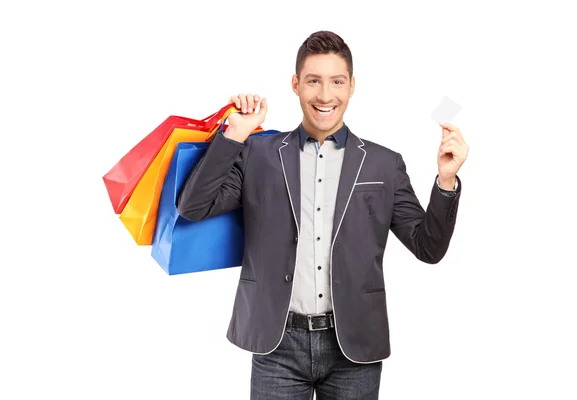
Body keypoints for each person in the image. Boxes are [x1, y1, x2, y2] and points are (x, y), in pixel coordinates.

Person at [177, 30, 469, 400]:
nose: (325, 95)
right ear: (296, 85)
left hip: (354, 346)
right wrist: (233, 135)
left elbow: (428, 247)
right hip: (276, 343)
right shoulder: (259, 152)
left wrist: (446, 180)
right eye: (313, 81)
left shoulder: (384, 163)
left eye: (337, 82)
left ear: (351, 87)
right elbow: (193, 207)